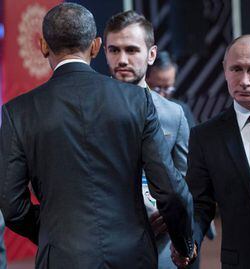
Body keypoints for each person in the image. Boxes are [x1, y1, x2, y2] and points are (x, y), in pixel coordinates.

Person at [0, 3, 194, 269]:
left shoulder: (18, 112)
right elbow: (171, 191)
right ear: (95, 46)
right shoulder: (138, 101)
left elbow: (11, 205)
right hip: (133, 254)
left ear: (43, 46)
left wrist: (55, 234)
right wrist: (184, 245)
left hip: (61, 257)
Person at [174, 34, 250, 268]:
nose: (244, 80)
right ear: (224, 70)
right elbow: (200, 204)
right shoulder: (205, 136)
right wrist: (190, 242)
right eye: (236, 69)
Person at [104, 11, 194, 269]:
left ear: (151, 54)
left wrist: (171, 218)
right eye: (114, 50)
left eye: (132, 50)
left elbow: (186, 183)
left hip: (162, 252)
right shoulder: (86, 111)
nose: (122, 59)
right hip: (104, 250)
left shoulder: (173, 114)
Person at [146, 51, 198, 128]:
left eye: (167, 88)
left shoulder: (181, 112)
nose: (161, 95)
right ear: (145, 82)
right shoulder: (132, 109)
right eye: (156, 89)